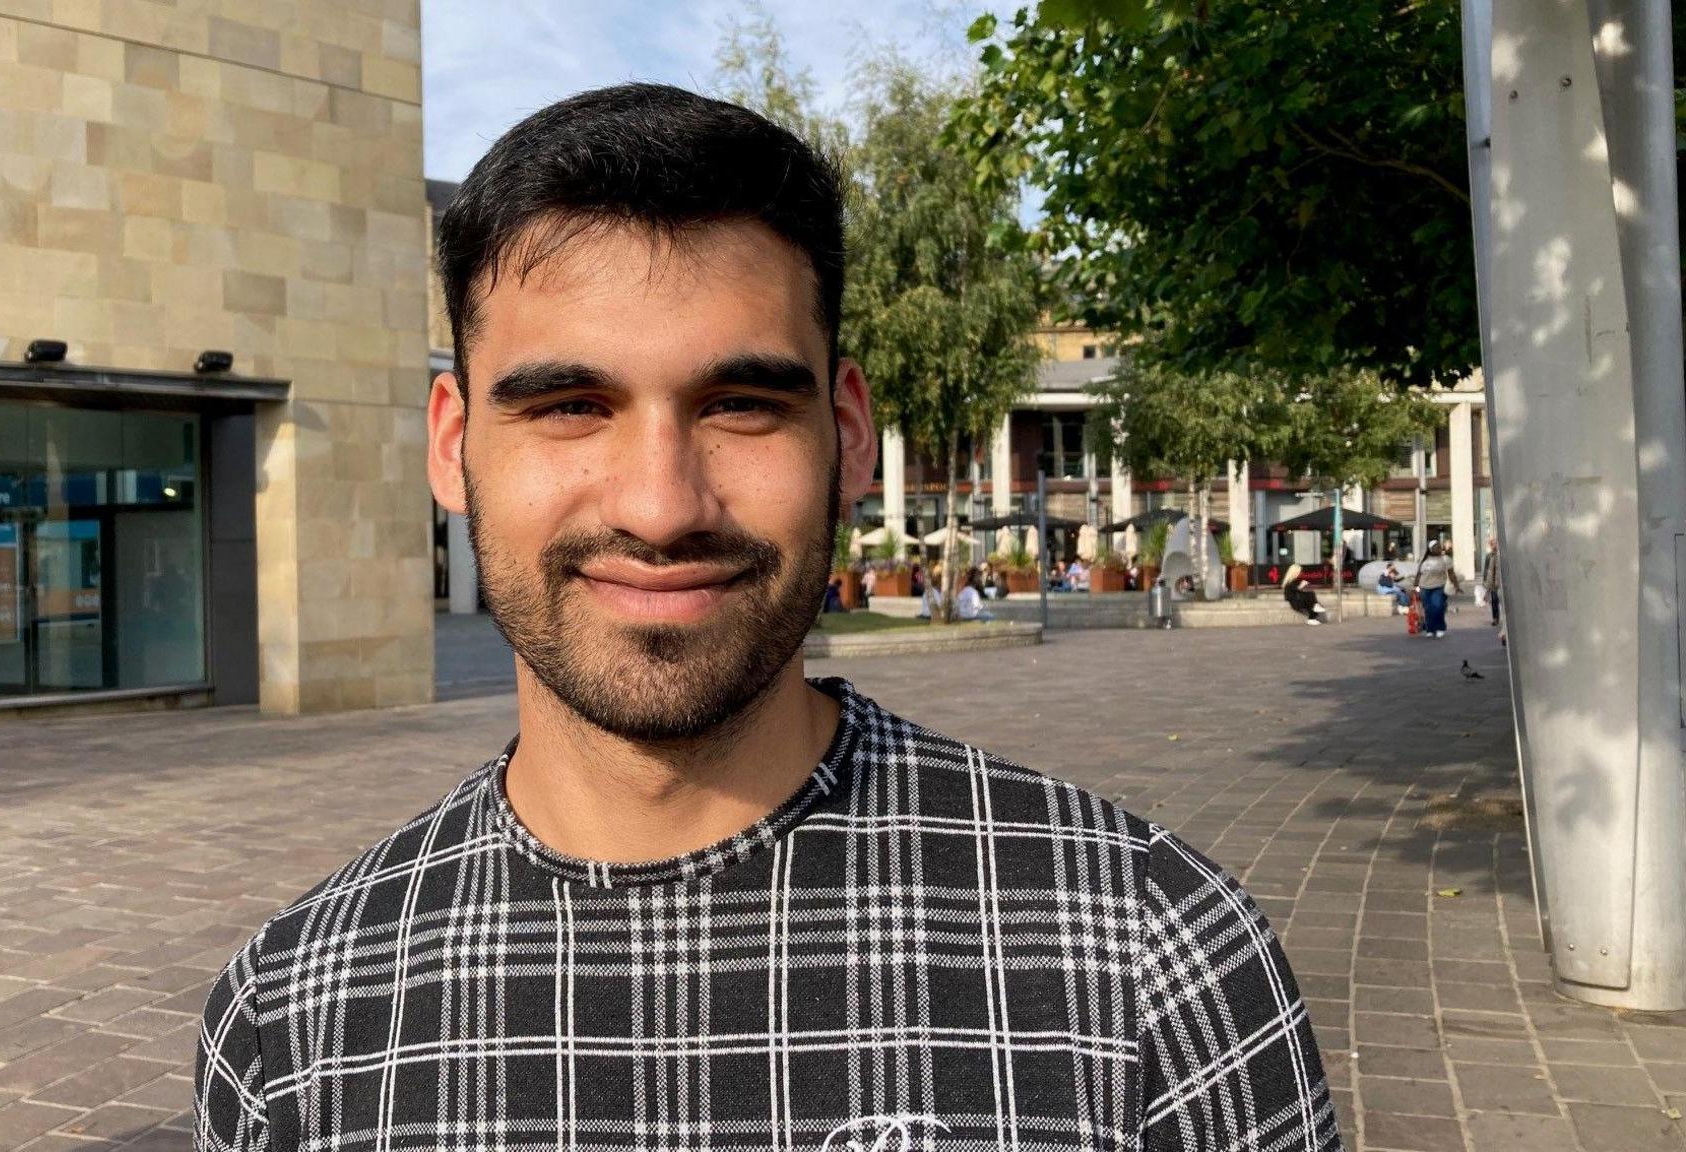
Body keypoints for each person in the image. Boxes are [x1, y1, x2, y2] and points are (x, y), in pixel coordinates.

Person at [195, 83, 1337, 1152]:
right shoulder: (293, 1022)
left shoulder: (1149, 956)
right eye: (568, 406)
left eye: (738, 403)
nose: (658, 505)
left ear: (844, 436)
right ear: (450, 445)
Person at [1413, 541, 1460, 638]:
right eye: (1436, 547)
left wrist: (1456, 585)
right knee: (1428, 609)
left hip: (1439, 586)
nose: (1439, 548)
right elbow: (1419, 574)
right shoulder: (1424, 560)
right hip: (1424, 587)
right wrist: (1415, 586)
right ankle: (1430, 629)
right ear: (1430, 549)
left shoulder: (1445, 559)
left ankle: (1440, 628)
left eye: (1439, 546)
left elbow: (1451, 573)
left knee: (1438, 607)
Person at [1482, 535, 1502, 627]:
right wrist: (1485, 581)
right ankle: (1495, 618)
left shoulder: (1502, 554)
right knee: (1494, 600)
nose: (1494, 545)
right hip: (1493, 582)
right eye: (1492, 543)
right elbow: (1486, 570)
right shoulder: (1489, 556)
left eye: (1495, 543)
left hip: (1501, 581)